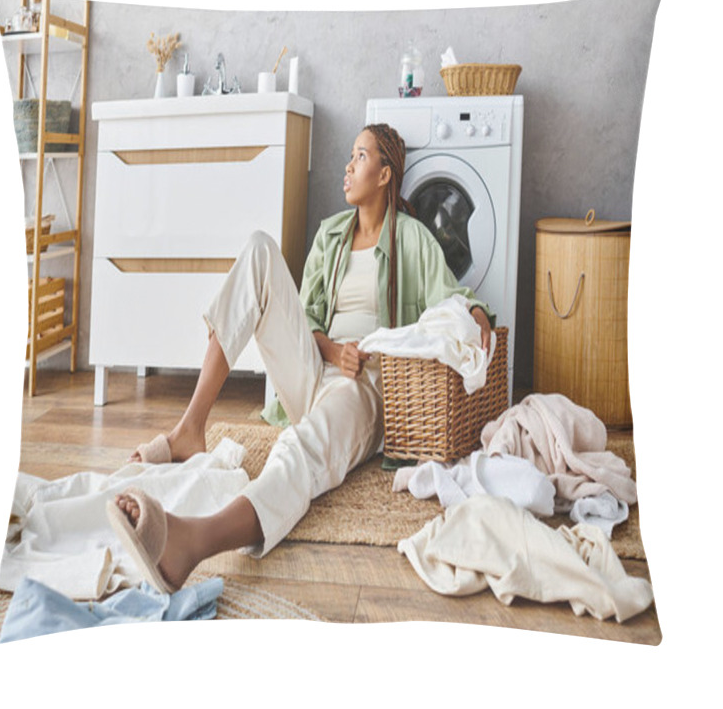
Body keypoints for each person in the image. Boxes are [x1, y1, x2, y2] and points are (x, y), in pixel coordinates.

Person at [107, 123, 495, 594]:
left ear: (386, 174)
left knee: (296, 448)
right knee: (258, 249)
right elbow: (309, 316)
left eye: (361, 157)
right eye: (351, 156)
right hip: (316, 369)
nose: (349, 166)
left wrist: (477, 315)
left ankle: (193, 541)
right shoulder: (331, 235)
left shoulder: (411, 237)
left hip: (366, 386)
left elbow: (454, 297)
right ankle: (190, 427)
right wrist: (333, 349)